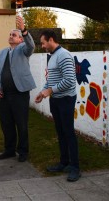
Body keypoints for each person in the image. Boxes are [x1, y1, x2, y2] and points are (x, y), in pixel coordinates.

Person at [35, 29, 81, 182]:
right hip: (55, 99)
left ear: (51, 40)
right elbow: (51, 78)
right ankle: (64, 162)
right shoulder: (53, 56)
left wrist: (50, 90)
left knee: (68, 132)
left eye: (43, 43)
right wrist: (43, 92)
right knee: (60, 132)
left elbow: (69, 80)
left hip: (66, 99)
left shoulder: (64, 55)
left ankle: (75, 167)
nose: (42, 46)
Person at [0, 15, 36, 162]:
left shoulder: (23, 49)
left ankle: (23, 151)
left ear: (20, 39)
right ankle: (9, 150)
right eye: (10, 34)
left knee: (21, 123)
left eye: (14, 35)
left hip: (20, 92)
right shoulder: (2, 52)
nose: (11, 36)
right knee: (6, 123)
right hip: (4, 93)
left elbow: (32, 46)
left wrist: (23, 29)